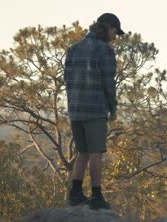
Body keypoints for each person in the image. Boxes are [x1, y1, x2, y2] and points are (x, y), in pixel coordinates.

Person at [63, 13, 125, 209]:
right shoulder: (104, 51)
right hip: (95, 110)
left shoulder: (73, 48)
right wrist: (112, 108)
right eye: (115, 31)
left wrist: (73, 103)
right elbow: (109, 83)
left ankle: (75, 193)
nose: (115, 36)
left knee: (82, 152)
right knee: (96, 152)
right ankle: (97, 196)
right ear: (107, 27)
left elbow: (67, 79)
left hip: (75, 110)